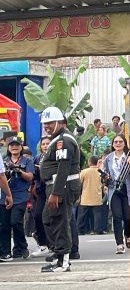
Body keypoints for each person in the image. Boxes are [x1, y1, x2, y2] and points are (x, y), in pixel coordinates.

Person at [39, 107, 82, 272]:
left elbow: (64, 166)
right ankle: (58, 254)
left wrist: (56, 193)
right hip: (56, 186)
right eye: (45, 123)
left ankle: (63, 260)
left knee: (60, 222)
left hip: (61, 187)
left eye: (49, 123)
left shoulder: (63, 140)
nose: (46, 126)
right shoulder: (58, 139)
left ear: (60, 122)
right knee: (48, 219)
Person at [0, 136, 34, 260]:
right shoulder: (3, 160)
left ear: (21, 147)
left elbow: (30, 177)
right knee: (4, 225)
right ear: (8, 147)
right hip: (4, 195)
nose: (14, 147)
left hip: (20, 195)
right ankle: (5, 251)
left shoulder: (27, 161)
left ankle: (22, 247)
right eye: (12, 145)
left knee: (15, 221)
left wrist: (19, 171)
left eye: (17, 145)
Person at [102, 134, 130, 254]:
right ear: (113, 144)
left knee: (128, 217)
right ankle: (119, 244)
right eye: (116, 142)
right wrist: (105, 176)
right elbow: (104, 175)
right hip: (114, 190)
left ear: (124, 143)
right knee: (117, 217)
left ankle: (128, 235)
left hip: (126, 189)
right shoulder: (108, 158)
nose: (118, 144)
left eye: (120, 141)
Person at [31, 136, 52, 258]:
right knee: (38, 215)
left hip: (53, 189)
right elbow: (33, 177)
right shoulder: (36, 159)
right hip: (40, 191)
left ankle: (54, 244)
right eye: (43, 144)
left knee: (53, 217)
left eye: (47, 143)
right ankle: (43, 244)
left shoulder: (54, 158)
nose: (45, 146)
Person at [77, 156, 103, 235]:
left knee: (82, 215)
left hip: (86, 197)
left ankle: (80, 230)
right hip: (97, 196)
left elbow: (78, 183)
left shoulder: (84, 172)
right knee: (97, 214)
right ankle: (98, 229)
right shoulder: (100, 171)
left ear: (89, 162)